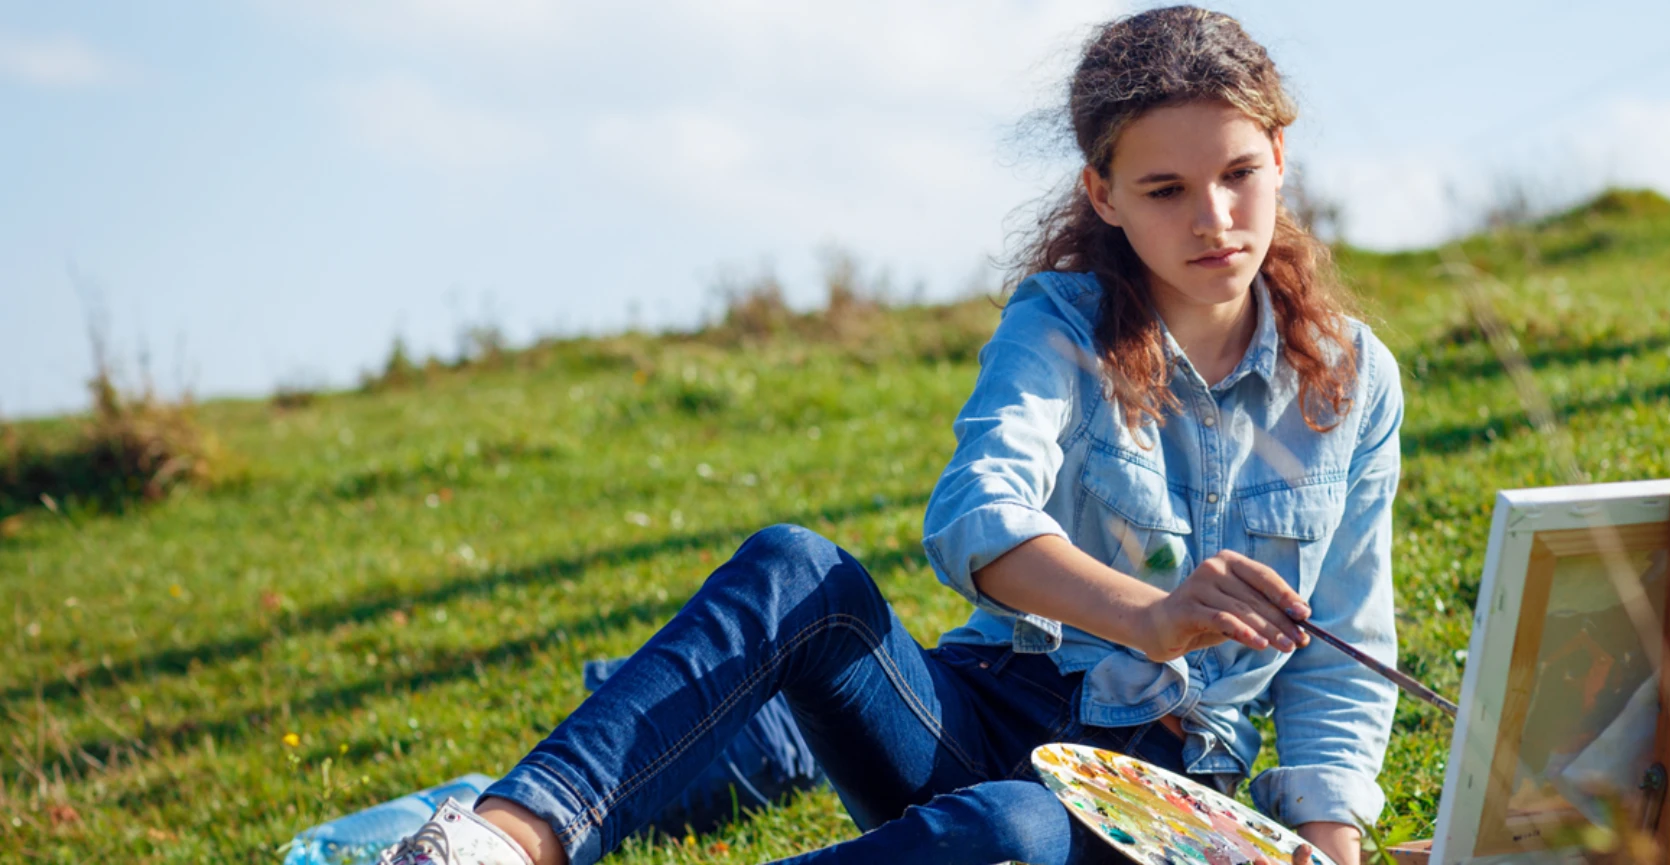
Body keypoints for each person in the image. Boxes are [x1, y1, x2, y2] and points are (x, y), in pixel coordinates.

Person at [376, 6, 1402, 864]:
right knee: (796, 569)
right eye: (1164, 190)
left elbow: (1342, 655)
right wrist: (1150, 612)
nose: (1213, 217)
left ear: (1278, 154)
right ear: (1104, 196)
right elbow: (973, 514)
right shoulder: (1059, 321)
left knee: (1005, 830)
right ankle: (509, 837)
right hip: (981, 710)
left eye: (1237, 173)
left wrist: (1326, 846)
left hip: (1158, 792)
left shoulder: (1352, 382)